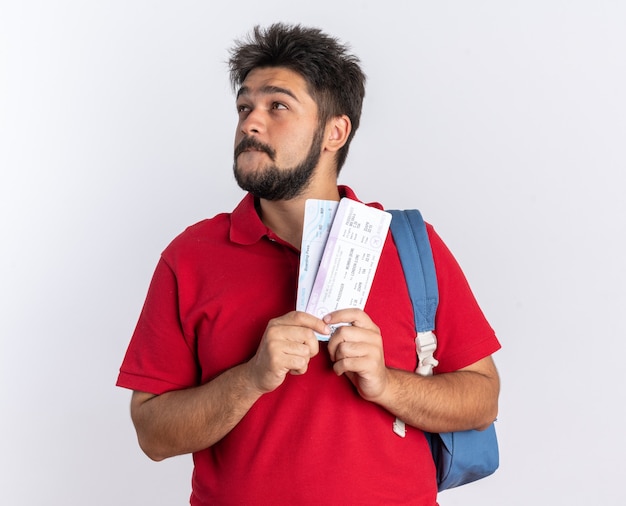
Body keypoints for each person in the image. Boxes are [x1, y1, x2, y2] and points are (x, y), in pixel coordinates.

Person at [116, 23, 501, 505]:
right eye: (244, 107)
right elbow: (152, 433)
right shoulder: (190, 257)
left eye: (277, 106)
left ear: (335, 132)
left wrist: (385, 384)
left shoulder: (408, 243)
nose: (251, 123)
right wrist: (251, 377)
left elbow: (483, 399)